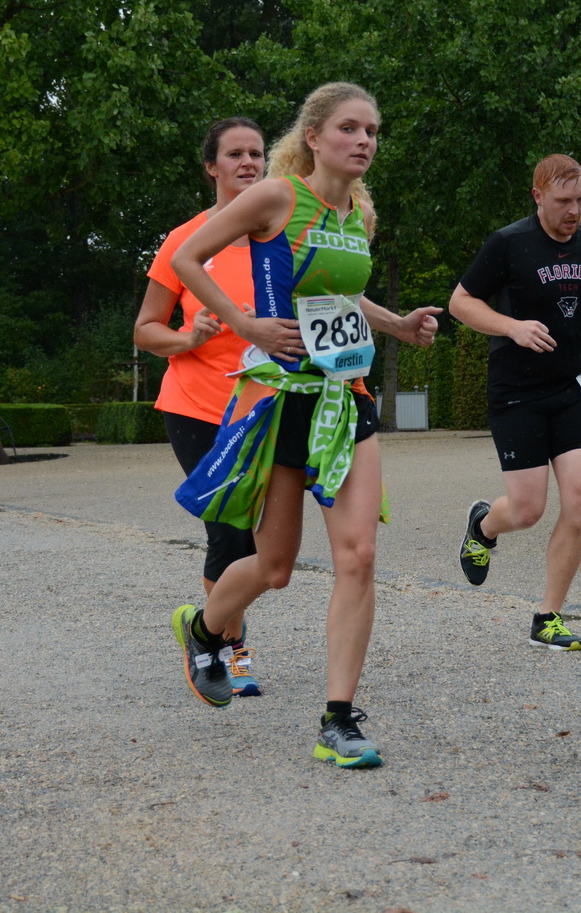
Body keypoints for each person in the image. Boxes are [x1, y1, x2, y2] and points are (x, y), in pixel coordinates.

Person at [168, 82, 439, 769]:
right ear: (313, 136)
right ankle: (202, 628)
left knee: (359, 555)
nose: (365, 141)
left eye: (374, 130)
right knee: (278, 565)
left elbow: (342, 295)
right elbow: (186, 260)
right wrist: (246, 323)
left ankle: (338, 719)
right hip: (282, 396)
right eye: (350, 128)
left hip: (345, 396)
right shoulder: (278, 198)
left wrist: (396, 324)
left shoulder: (359, 214)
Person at [450, 154, 581, 651]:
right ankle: (483, 525)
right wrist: (512, 327)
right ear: (537, 197)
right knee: (528, 509)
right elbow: (460, 302)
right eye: (563, 201)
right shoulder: (509, 243)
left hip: (572, 385)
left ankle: (547, 616)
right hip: (516, 392)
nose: (574, 211)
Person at [134, 116, 267, 695]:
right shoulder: (185, 241)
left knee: (259, 542)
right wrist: (188, 338)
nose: (248, 164)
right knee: (231, 532)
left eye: (257, 154)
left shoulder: (282, 240)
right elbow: (144, 330)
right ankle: (225, 650)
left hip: (263, 408)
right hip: (196, 406)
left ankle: (212, 632)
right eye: (234, 154)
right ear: (211, 166)